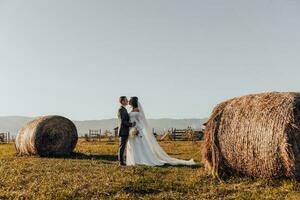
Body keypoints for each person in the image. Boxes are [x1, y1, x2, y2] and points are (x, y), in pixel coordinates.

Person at [126, 96, 196, 166]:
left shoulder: (137, 110)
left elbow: (141, 121)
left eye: (130, 101)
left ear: (133, 102)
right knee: (134, 145)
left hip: (137, 130)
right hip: (131, 130)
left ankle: (142, 159)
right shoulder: (131, 110)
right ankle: (135, 159)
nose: (129, 102)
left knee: (140, 145)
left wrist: (137, 129)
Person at [117, 96, 135, 166]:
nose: (127, 101)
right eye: (126, 100)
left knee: (123, 147)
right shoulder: (121, 110)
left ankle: (122, 161)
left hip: (125, 130)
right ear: (122, 102)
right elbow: (123, 121)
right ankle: (121, 162)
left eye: (127, 100)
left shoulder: (124, 109)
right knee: (122, 147)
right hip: (123, 131)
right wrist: (131, 124)